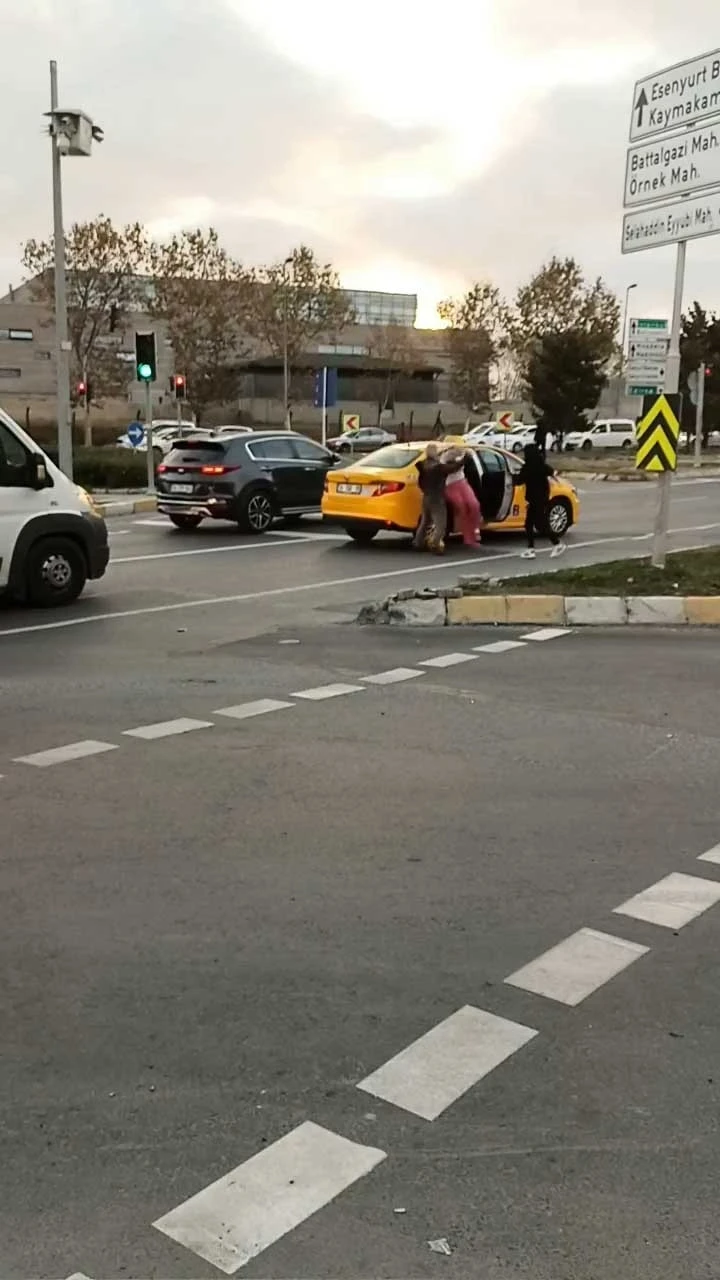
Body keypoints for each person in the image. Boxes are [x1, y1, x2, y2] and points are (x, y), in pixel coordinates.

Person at [518, 443, 566, 560]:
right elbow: (552, 472)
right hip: (543, 498)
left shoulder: (528, 467)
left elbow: (519, 480)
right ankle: (531, 549)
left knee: (539, 524)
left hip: (535, 499)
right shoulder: (541, 465)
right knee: (532, 523)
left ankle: (557, 544)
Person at [413, 443, 457, 553]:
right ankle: (435, 543)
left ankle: (418, 542)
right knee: (441, 524)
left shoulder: (423, 465)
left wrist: (425, 491)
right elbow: (452, 468)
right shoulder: (437, 467)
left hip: (426, 497)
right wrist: (464, 459)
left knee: (425, 521)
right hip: (437, 498)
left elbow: (420, 482)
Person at [441, 445, 482, 549]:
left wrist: (464, 458)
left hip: (462, 482)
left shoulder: (462, 454)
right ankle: (468, 538)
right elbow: (450, 469)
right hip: (450, 485)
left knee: (474, 505)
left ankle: (475, 531)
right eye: (454, 448)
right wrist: (462, 461)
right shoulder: (444, 458)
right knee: (462, 508)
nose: (457, 450)